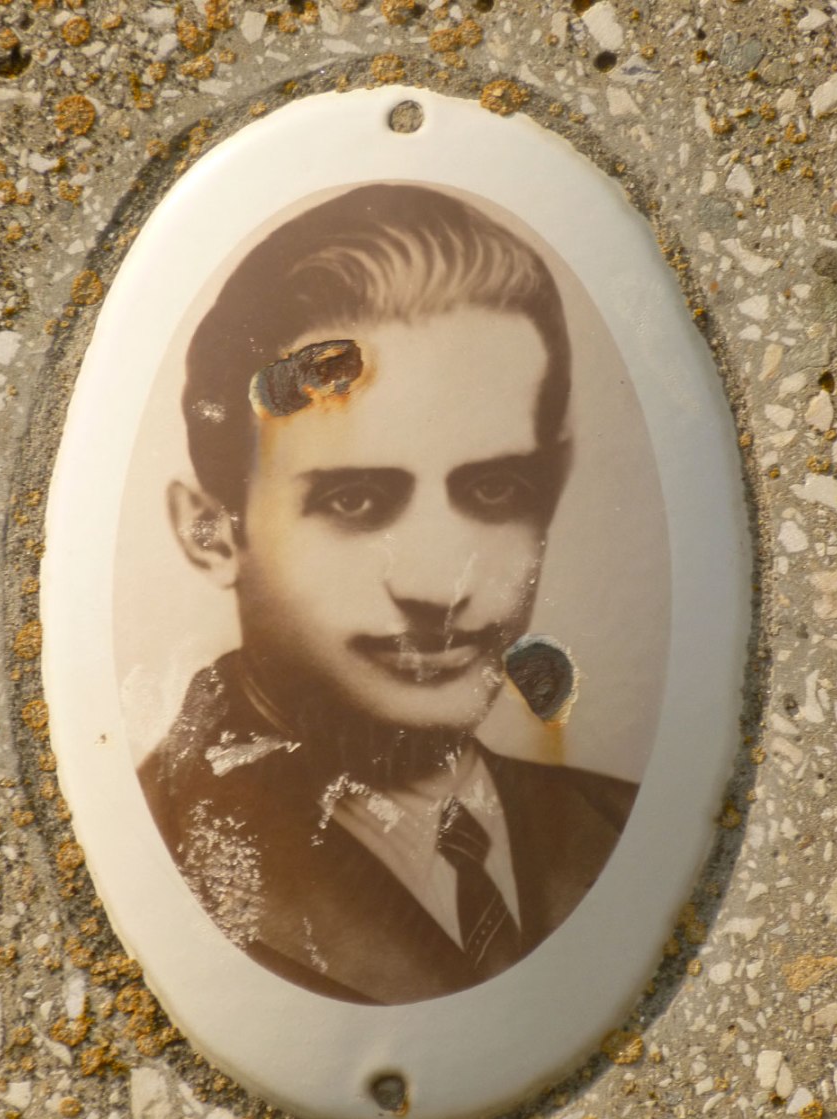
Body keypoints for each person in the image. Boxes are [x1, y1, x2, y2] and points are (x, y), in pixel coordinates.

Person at [138, 184, 637, 1005]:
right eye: (355, 500)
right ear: (214, 532)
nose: (440, 584)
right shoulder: (158, 850)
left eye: (496, 489)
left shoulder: (620, 828)